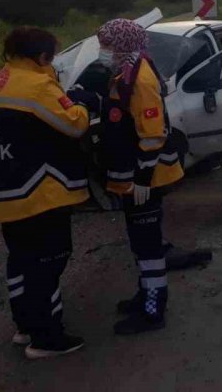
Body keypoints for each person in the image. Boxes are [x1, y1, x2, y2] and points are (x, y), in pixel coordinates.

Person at [0, 27, 98, 359]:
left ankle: (26, 326)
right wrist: (85, 103)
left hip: (5, 192)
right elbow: (74, 124)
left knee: (21, 260)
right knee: (49, 260)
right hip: (38, 193)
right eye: (53, 56)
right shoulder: (37, 85)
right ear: (42, 56)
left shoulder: (0, 80)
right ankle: (46, 338)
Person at [76, 18, 185, 335]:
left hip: (145, 179)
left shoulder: (141, 79)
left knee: (149, 247)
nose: (102, 51)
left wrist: (142, 179)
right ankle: (145, 296)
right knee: (140, 243)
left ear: (123, 45)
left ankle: (153, 311)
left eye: (107, 45)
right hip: (133, 177)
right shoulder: (125, 71)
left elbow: (152, 135)